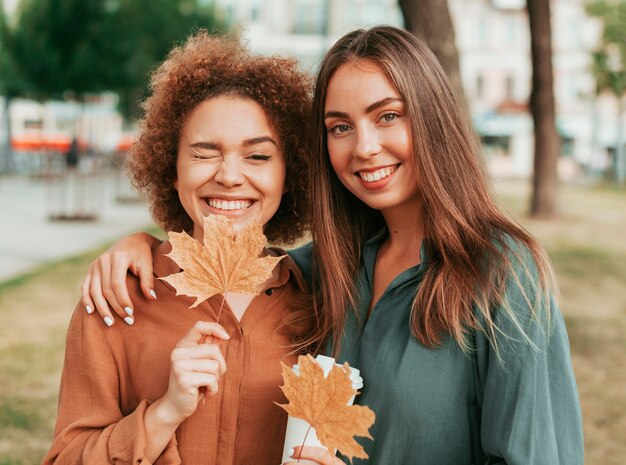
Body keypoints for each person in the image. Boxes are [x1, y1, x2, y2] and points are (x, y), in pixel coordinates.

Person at [80, 26, 584, 465]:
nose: (363, 146)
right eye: (340, 127)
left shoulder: (502, 272)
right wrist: (141, 244)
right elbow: (240, 262)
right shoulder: (325, 270)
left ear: (433, 119)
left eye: (388, 116)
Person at [42, 31, 315, 465]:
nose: (229, 175)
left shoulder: (320, 300)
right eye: (205, 153)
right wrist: (164, 414)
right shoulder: (116, 299)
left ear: (290, 174)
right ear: (172, 169)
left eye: (258, 157)